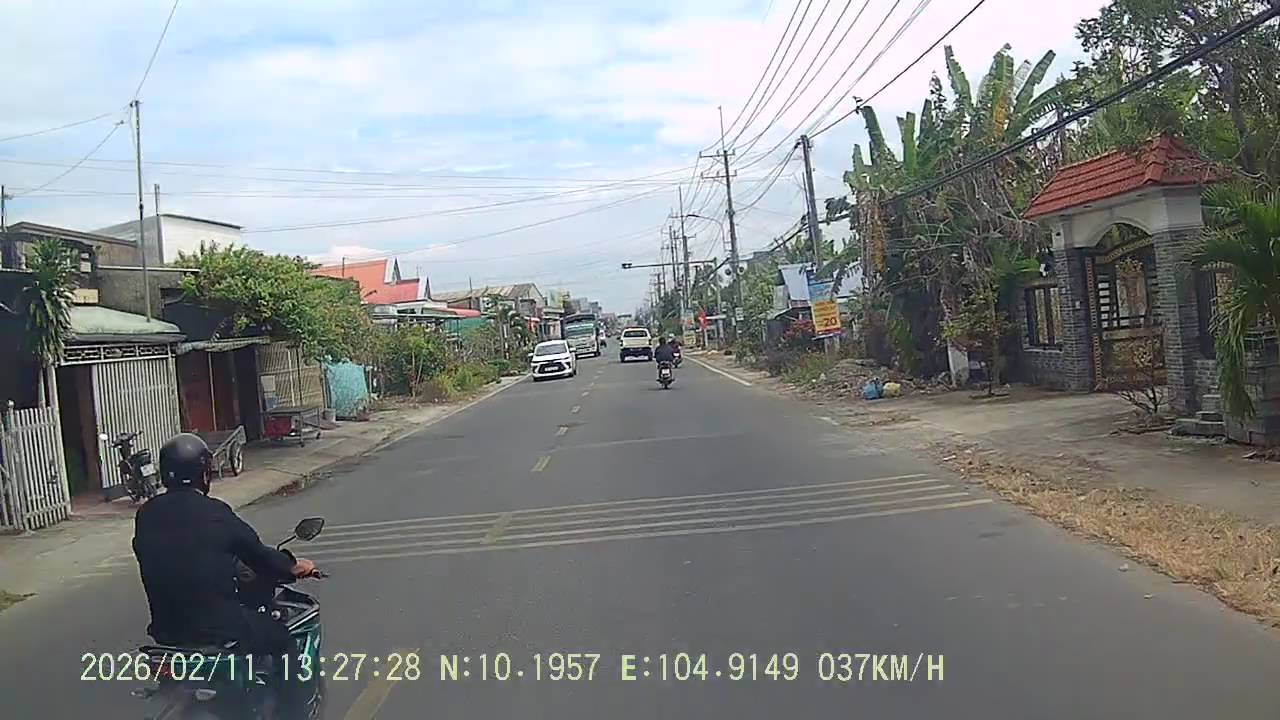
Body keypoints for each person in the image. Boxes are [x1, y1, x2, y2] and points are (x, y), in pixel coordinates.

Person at [133, 433, 316, 655]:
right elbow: (257, 554)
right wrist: (292, 565)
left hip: (167, 631)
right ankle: (290, 680)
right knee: (282, 640)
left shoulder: (146, 514)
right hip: (217, 628)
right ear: (204, 474)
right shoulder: (215, 512)